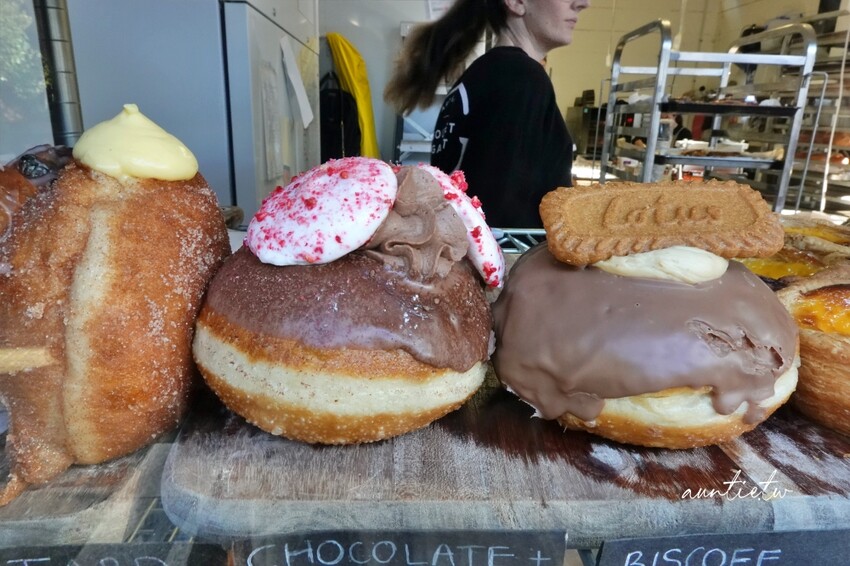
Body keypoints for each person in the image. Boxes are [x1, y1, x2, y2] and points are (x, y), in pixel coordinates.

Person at [384, 0, 590, 228]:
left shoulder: (478, 77)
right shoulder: (522, 78)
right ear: (517, 2)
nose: (583, 3)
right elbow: (502, 222)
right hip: (510, 262)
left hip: (466, 254)